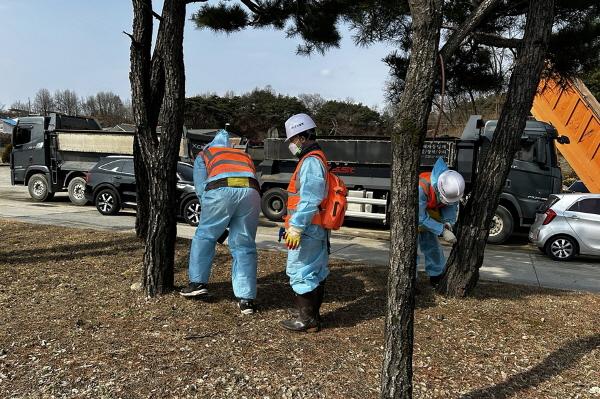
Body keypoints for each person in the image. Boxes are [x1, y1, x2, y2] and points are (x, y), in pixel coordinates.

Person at [180, 129, 261, 315]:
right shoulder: (242, 154)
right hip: (251, 192)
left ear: (211, 144)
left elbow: (200, 187)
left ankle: (197, 282)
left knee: (205, 236)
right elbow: (253, 177)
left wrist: (209, 210)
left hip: (220, 189)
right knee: (245, 245)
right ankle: (246, 299)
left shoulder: (206, 153)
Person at [280, 113, 329, 333]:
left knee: (299, 271)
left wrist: (297, 227)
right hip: (315, 227)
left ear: (301, 136)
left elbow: (310, 198)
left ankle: (307, 319)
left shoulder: (310, 161)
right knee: (315, 271)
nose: (291, 144)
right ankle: (310, 315)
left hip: (307, 228)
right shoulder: (316, 158)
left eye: (292, 140)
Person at [418, 157, 465, 286]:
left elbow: (450, 207)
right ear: (438, 189)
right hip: (413, 217)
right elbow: (419, 218)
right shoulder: (421, 187)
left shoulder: (451, 186)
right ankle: (409, 281)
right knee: (410, 251)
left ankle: (436, 276)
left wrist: (448, 224)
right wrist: (441, 230)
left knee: (433, 247)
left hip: (429, 215)